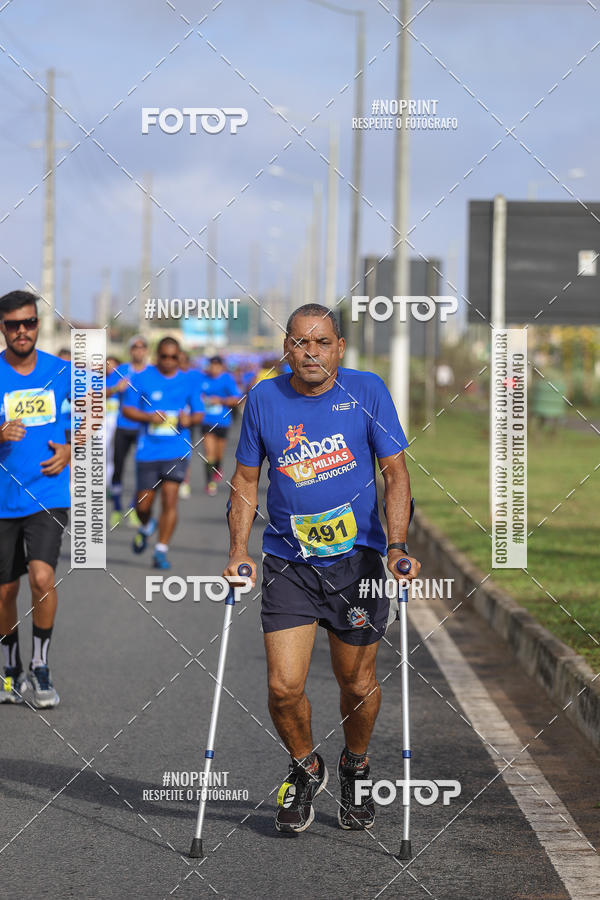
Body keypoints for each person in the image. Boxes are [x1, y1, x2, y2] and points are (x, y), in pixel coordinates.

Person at [224, 303, 421, 834]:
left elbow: (394, 474)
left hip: (358, 563)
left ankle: (355, 765)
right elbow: (245, 480)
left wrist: (397, 544)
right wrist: (238, 549)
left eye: (322, 342)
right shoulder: (264, 398)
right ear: (287, 346)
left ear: (339, 347)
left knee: (355, 682)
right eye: (300, 342)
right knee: (284, 686)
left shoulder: (368, 390)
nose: (311, 352)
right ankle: (305, 765)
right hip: (289, 562)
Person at [0, 290, 71, 708]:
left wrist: (70, 450)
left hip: (47, 495)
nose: (22, 331)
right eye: (13, 324)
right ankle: (11, 668)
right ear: (3, 328)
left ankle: (41, 667)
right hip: (2, 499)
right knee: (5, 591)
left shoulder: (60, 371)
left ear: (38, 324)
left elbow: (90, 420)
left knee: (43, 578)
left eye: (28, 322)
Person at [121, 336, 204, 570]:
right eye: (164, 356)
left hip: (176, 451)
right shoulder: (142, 378)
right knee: (143, 506)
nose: (168, 361)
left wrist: (190, 419)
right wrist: (148, 417)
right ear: (157, 356)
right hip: (148, 451)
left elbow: (199, 412)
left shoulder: (189, 381)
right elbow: (126, 409)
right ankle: (147, 526)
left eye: (174, 357)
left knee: (170, 499)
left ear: (180, 358)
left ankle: (161, 550)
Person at [110, 335, 148, 527]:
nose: (138, 350)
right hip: (123, 426)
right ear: (131, 350)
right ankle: (117, 508)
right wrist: (117, 387)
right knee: (118, 468)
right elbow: (103, 392)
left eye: (142, 347)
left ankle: (133, 510)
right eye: (135, 347)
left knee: (141, 471)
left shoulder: (151, 373)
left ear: (146, 351)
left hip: (143, 428)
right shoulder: (122, 370)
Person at [200, 355, 241, 496]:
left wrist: (220, 401)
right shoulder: (203, 379)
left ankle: (218, 467)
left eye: (217, 366)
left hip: (223, 421)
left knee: (218, 453)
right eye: (212, 365)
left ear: (221, 367)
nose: (214, 369)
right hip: (206, 421)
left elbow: (237, 399)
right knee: (208, 452)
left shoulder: (227, 379)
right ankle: (209, 483)